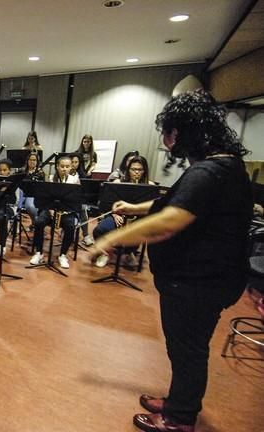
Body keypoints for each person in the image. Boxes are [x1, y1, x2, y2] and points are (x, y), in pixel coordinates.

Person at [90, 90, 251, 432]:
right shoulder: (223, 165)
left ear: (185, 131)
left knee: (188, 350)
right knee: (184, 348)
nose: (165, 142)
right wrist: (133, 208)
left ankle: (179, 419)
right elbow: (175, 202)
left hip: (199, 282)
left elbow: (172, 219)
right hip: (207, 279)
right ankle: (179, 402)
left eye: (169, 133)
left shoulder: (208, 172)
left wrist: (110, 238)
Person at [93, 155, 154, 268]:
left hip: (137, 219)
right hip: (118, 215)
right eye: (133, 169)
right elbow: (107, 204)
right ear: (128, 170)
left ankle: (128, 253)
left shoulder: (150, 186)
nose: (136, 172)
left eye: (140, 170)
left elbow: (152, 209)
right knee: (100, 230)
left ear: (144, 171)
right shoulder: (118, 182)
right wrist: (114, 213)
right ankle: (105, 252)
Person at [29, 154, 79, 269]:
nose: (64, 169)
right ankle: (39, 252)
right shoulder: (51, 179)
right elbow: (45, 198)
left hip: (66, 212)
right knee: (39, 222)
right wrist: (50, 209)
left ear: (71, 167)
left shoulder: (74, 180)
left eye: (67, 166)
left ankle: (62, 255)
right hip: (50, 210)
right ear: (57, 166)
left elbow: (75, 201)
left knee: (71, 226)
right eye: (62, 166)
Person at [0, 159, 16, 257]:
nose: (2, 172)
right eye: (0, 170)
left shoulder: (14, 181)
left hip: (8, 207)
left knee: (2, 217)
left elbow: (14, 201)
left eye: (5, 170)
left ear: (9, 170)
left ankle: (2, 246)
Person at [70, 152, 93, 245]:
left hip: (78, 200)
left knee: (83, 208)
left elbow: (85, 192)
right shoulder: (63, 173)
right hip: (66, 200)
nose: (74, 164)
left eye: (76, 162)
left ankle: (86, 235)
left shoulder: (82, 175)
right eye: (72, 162)